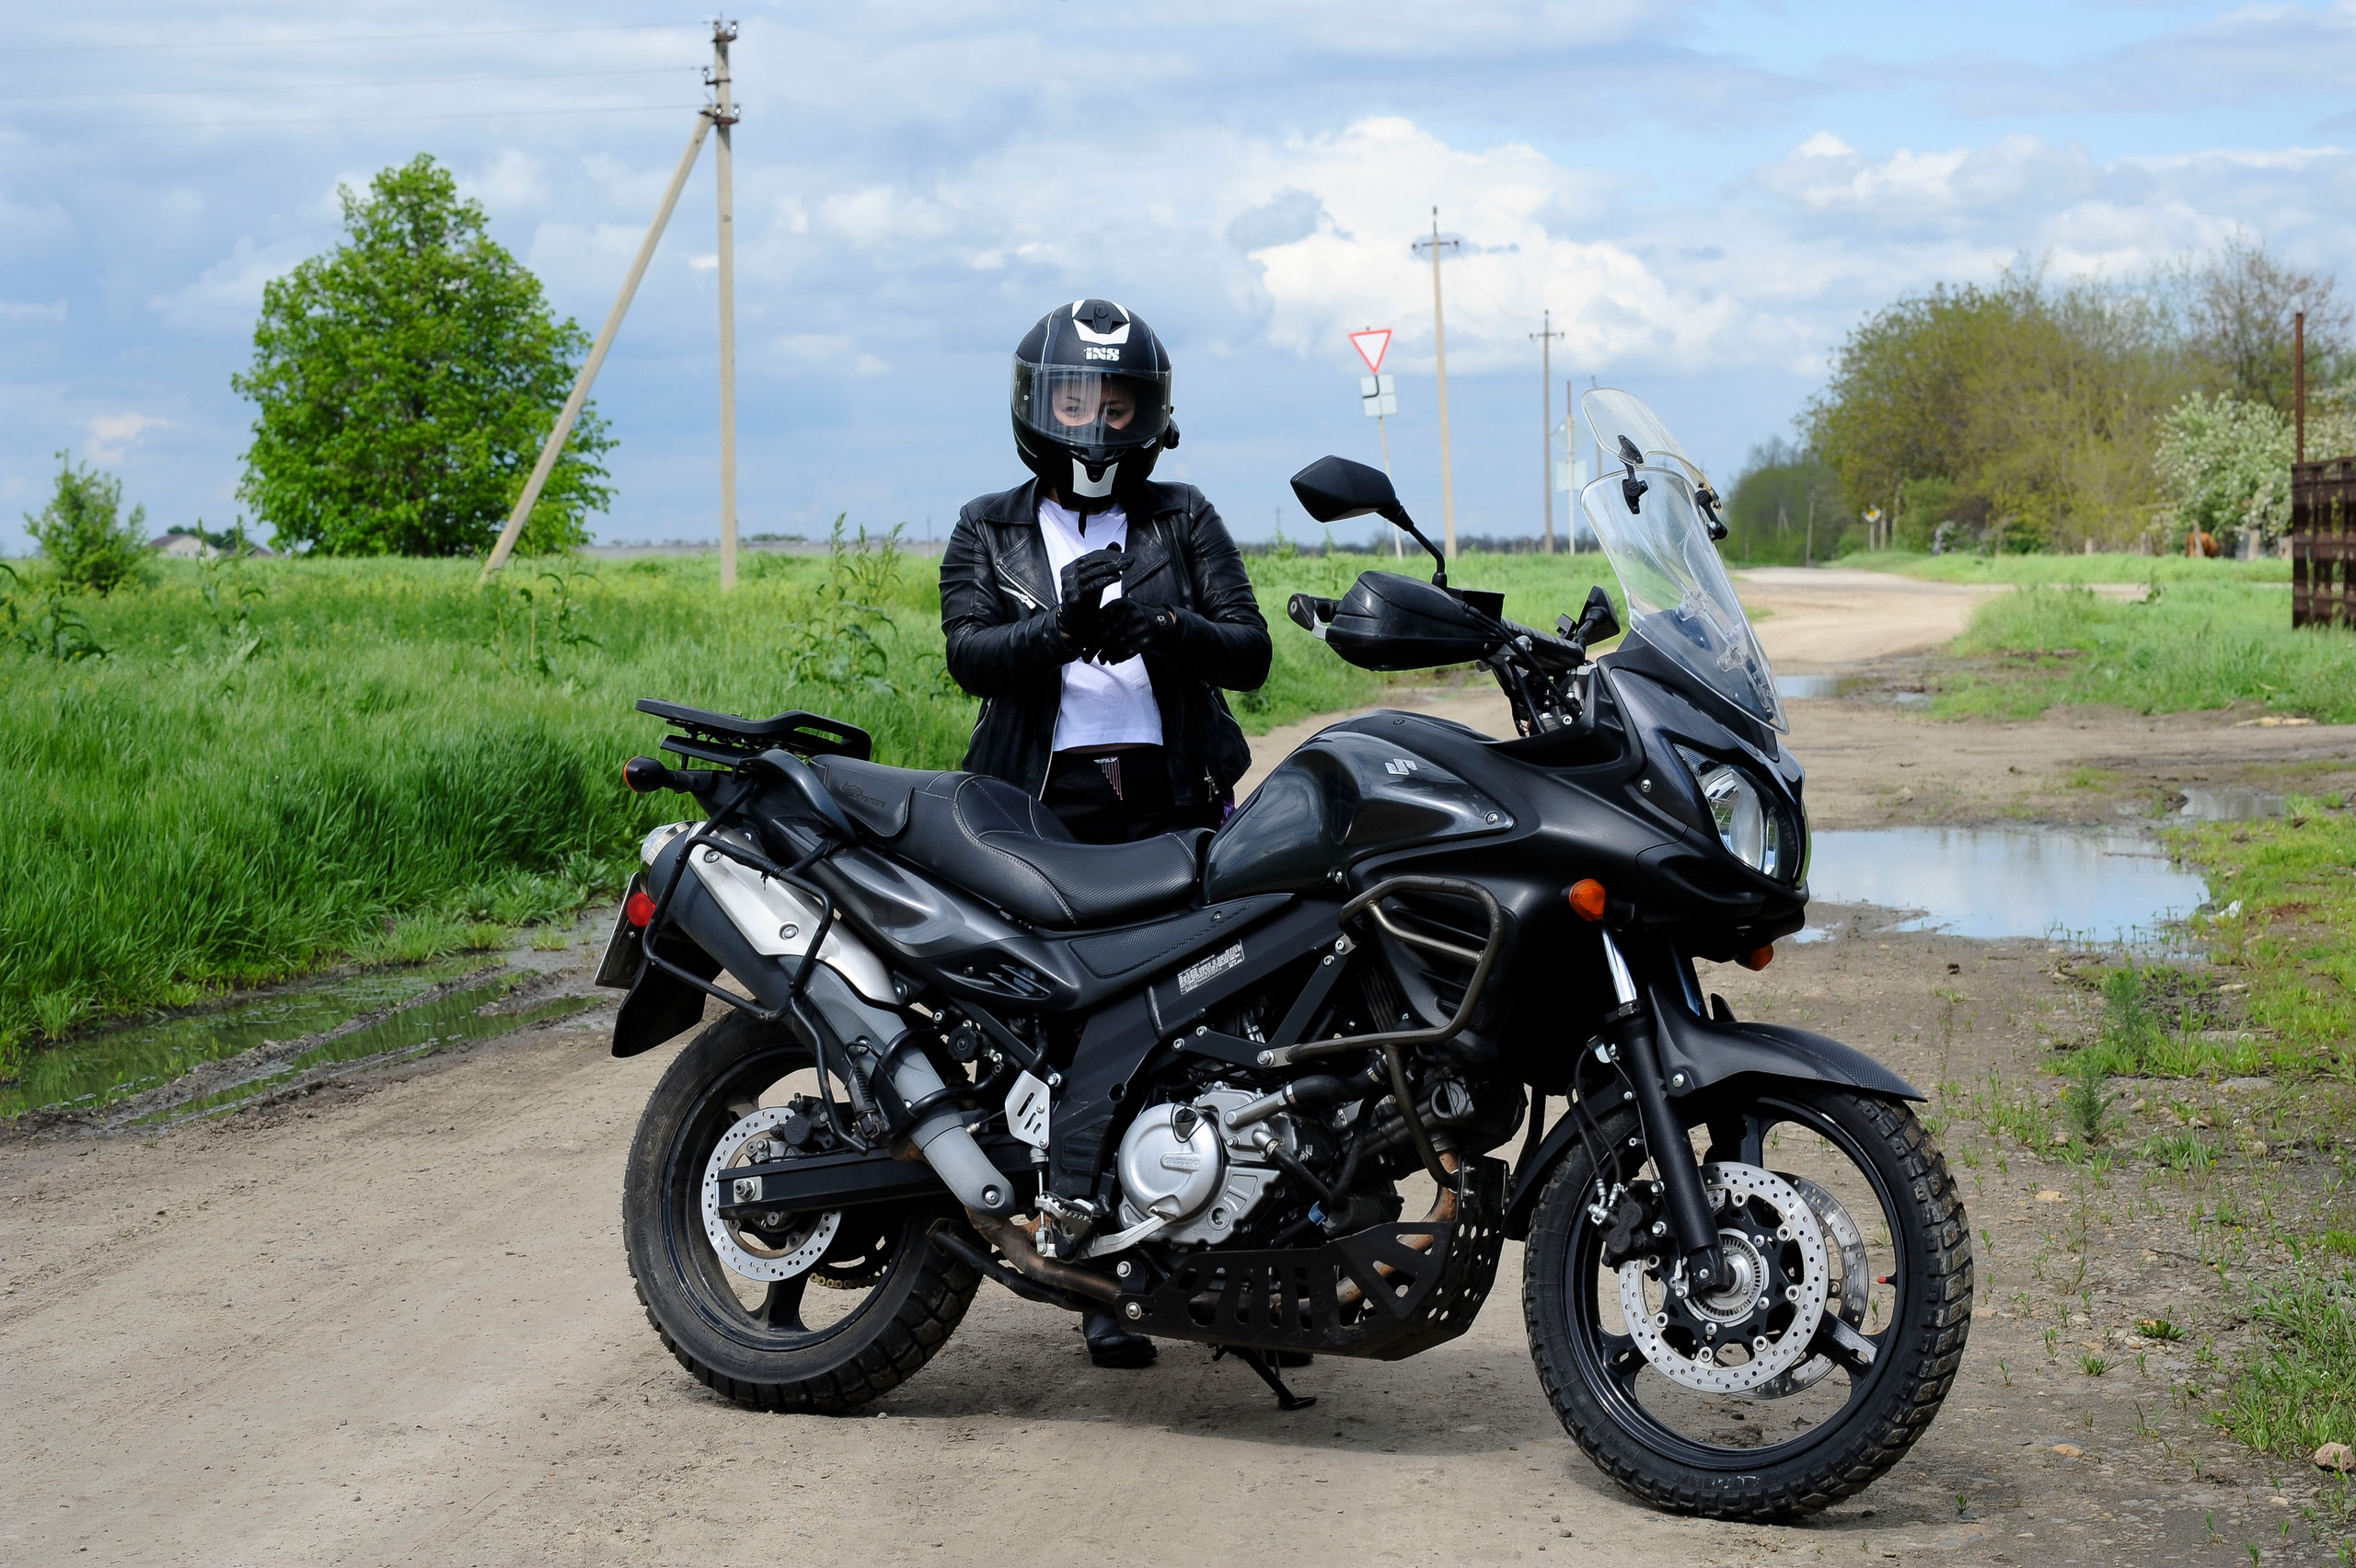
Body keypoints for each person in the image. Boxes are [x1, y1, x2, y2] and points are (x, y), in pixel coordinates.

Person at [940, 297, 1271, 1368]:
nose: (1094, 420)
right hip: (1040, 811)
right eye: (1073, 397)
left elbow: (1250, 652)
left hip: (1171, 802)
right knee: (1076, 1027)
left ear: (1150, 411)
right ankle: (1098, 1280)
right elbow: (970, 657)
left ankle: (1232, 1259)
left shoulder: (1183, 516)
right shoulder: (987, 525)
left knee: (1206, 1014)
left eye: (1116, 399)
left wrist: (1162, 628)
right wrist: (1061, 632)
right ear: (1036, 405)